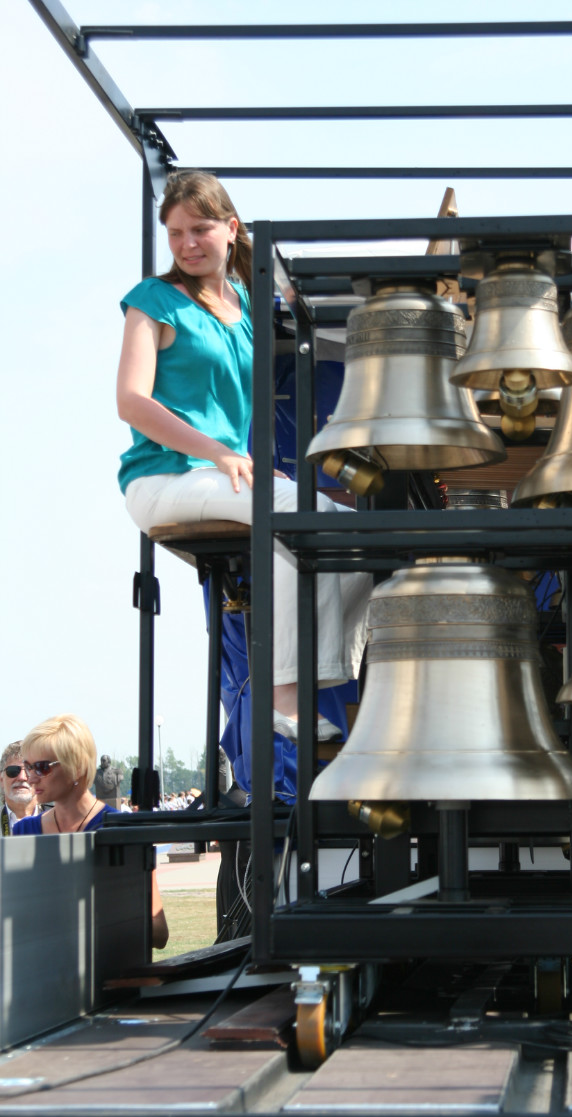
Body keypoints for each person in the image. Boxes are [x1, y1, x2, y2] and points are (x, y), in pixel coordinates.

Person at [116, 170, 371, 740]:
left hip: (215, 475)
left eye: (200, 229)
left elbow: (247, 393)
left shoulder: (248, 306)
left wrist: (248, 461)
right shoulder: (153, 301)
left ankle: (317, 678)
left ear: (231, 229)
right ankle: (282, 692)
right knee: (290, 515)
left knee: (356, 535)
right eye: (176, 232)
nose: (186, 244)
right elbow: (131, 402)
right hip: (161, 478)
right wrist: (220, 455)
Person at [13, 714, 168, 950]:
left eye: (42, 767)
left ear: (75, 767)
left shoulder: (121, 831)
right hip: (44, 977)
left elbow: (158, 932)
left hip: (108, 975)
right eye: (27, 767)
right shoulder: (24, 832)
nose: (30, 777)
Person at [0, 741, 38, 835]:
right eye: (13, 771)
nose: (22, 777)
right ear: (1, 780)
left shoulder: (60, 819)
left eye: (29, 770)